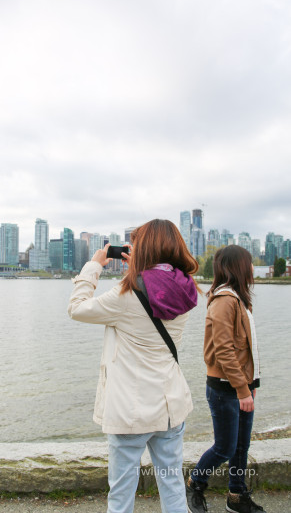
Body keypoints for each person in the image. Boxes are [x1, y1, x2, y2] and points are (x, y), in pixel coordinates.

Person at [68, 219, 200, 513]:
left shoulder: (125, 295)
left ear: (145, 249)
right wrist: (138, 270)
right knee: (173, 485)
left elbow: (76, 308)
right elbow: (155, 291)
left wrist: (93, 266)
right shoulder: (186, 288)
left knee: (122, 493)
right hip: (170, 407)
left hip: (131, 410)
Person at [186, 245, 266, 513]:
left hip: (242, 386)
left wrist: (252, 385)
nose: (253, 268)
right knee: (224, 448)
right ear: (239, 267)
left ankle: (237, 496)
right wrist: (243, 390)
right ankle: (195, 484)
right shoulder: (223, 301)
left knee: (241, 446)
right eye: (250, 263)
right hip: (225, 389)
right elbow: (224, 351)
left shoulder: (240, 300)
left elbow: (248, 350)